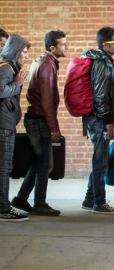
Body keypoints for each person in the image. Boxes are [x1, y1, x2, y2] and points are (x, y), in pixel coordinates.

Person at [11, 30, 67, 216]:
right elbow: (47, 101)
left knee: (39, 161)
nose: (66, 47)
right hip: (39, 120)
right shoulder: (47, 65)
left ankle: (20, 198)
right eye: (62, 44)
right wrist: (54, 128)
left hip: (35, 118)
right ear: (52, 47)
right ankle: (40, 204)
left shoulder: (42, 61)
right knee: (45, 164)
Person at [81, 27, 114, 214]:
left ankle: (90, 199)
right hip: (99, 119)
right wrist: (108, 121)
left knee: (101, 158)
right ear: (105, 44)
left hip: (96, 118)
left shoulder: (105, 62)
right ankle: (99, 202)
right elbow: (100, 95)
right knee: (100, 161)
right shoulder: (101, 63)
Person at [0, 34, 30, 221]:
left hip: (6, 124)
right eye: (24, 52)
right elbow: (1, 90)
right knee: (4, 168)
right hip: (3, 126)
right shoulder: (6, 69)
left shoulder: (9, 68)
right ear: (16, 52)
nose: (26, 56)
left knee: (4, 167)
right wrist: (17, 84)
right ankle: (3, 209)